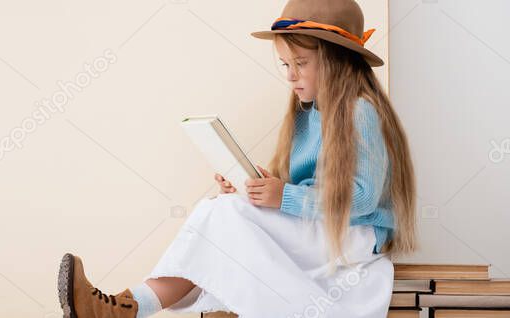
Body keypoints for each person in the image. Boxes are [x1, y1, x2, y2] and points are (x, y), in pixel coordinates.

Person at [56, 0, 418, 317]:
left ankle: (128, 308)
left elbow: (363, 196)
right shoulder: (309, 114)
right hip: (324, 226)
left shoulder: (360, 111)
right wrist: (258, 185)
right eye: (285, 64)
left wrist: (283, 196)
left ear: (337, 60)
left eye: (300, 63)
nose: (290, 75)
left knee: (224, 215)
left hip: (358, 234)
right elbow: (310, 189)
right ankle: (127, 307)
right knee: (225, 210)